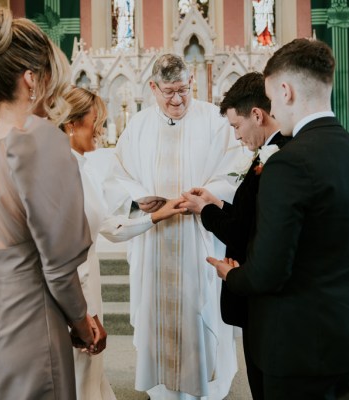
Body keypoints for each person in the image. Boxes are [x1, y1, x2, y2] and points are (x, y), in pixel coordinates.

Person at [206, 38, 349, 399]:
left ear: (285, 92)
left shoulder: (287, 164)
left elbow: (269, 269)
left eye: (270, 99)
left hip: (295, 342)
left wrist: (233, 274)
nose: (270, 108)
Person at [0, 3, 97, 399]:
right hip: (33, 323)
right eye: (50, 79)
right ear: (32, 78)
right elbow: (59, 269)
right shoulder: (40, 142)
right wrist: (82, 325)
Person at [104, 54, 240, 399]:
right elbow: (117, 176)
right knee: (157, 317)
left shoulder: (214, 120)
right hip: (155, 239)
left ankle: (205, 389)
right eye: (169, 92)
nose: (178, 99)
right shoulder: (138, 126)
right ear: (152, 87)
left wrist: (206, 197)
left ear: (192, 81)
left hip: (200, 236)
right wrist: (139, 199)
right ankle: (165, 390)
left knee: (201, 309)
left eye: (183, 89)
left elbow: (233, 172)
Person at [60, 87, 188, 400]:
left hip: (90, 280)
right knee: (74, 365)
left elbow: (107, 226)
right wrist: (81, 313)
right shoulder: (58, 176)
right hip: (72, 286)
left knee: (89, 368)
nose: (101, 131)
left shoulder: (83, 171)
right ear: (70, 125)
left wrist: (157, 216)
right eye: (95, 122)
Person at [180, 71, 290, 400]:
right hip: (260, 290)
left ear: (256, 115)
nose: (236, 136)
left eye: (236, 127)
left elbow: (243, 228)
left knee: (266, 379)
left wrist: (205, 211)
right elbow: (250, 213)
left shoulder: (278, 159)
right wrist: (216, 202)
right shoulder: (267, 155)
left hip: (261, 289)